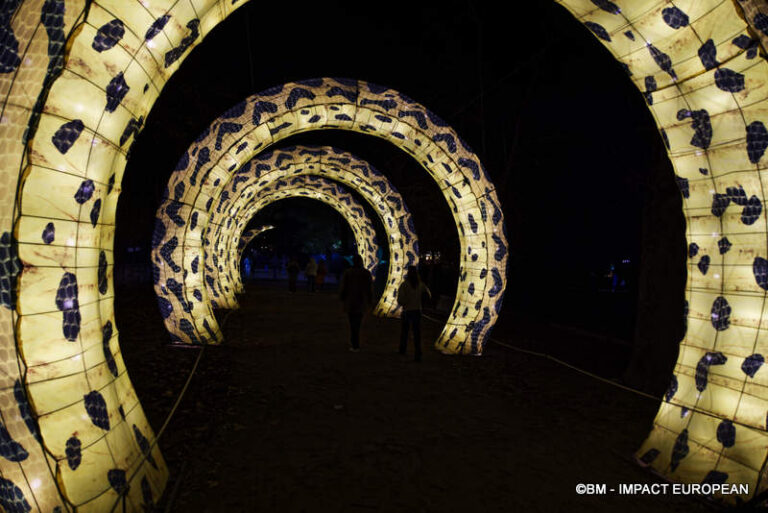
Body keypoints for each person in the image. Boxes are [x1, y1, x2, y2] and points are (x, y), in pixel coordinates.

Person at [339, 254, 373, 352]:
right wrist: (370, 300)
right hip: (361, 301)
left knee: (352, 323)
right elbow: (369, 289)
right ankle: (356, 344)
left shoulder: (348, 273)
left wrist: (342, 297)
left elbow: (344, 286)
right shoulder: (366, 273)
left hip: (350, 301)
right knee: (357, 323)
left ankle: (354, 343)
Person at [397, 266, 431, 362]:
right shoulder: (420, 284)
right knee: (417, 333)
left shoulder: (404, 285)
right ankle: (418, 352)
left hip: (407, 311)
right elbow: (428, 294)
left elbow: (400, 300)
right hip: (417, 311)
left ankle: (402, 349)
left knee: (405, 331)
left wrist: (405, 302)